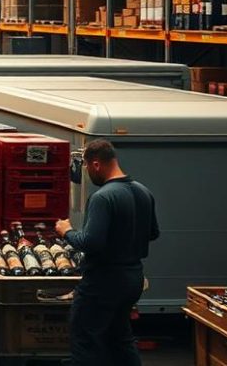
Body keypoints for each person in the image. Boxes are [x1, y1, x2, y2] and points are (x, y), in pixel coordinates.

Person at [55, 139, 159, 366]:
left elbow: (90, 242)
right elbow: (153, 233)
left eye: (86, 168)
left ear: (96, 164)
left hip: (103, 281)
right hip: (133, 278)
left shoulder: (103, 197)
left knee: (86, 340)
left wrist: (67, 231)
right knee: (120, 339)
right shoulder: (143, 192)